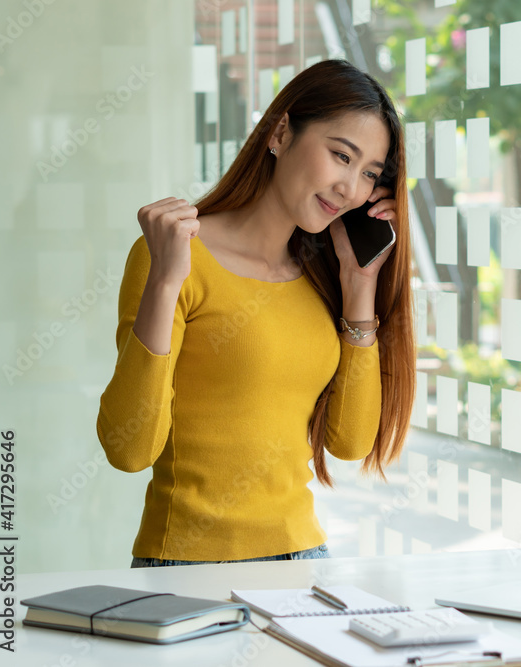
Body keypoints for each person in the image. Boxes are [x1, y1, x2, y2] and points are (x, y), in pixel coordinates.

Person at [95, 60, 415, 567]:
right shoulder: (177, 255)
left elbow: (350, 443)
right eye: (340, 155)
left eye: (369, 174)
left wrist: (360, 285)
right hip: (185, 567)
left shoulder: (323, 278)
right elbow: (129, 449)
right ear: (282, 132)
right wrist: (163, 281)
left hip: (304, 560)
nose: (349, 188)